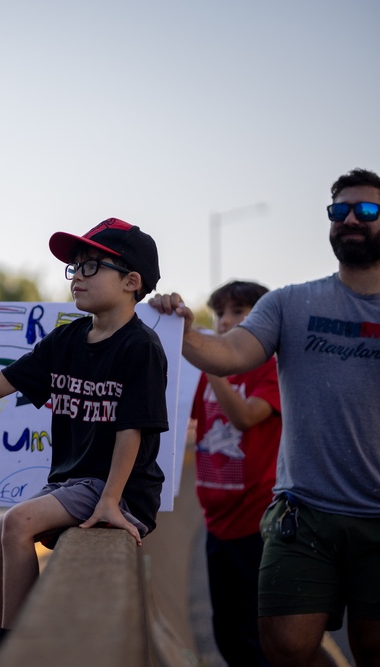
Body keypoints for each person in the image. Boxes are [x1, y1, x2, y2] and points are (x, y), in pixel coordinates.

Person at [150, 168, 380, 667]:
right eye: (339, 210)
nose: (351, 219)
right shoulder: (291, 303)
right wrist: (186, 332)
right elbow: (231, 353)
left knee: (373, 647)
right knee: (284, 645)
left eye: (367, 210)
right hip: (305, 511)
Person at [0, 218, 168, 649]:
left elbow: (132, 430)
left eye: (92, 266)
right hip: (75, 481)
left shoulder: (141, 347)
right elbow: (2, 384)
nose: (77, 277)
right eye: (74, 268)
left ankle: (19, 647)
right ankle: (12, 637)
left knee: (19, 523)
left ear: (132, 281)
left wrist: (111, 501)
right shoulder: (67, 339)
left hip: (119, 487)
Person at [190, 281, 280, 667]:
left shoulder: (270, 367)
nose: (225, 322)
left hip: (255, 522)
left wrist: (213, 365)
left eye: (238, 312)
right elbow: (188, 423)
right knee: (226, 633)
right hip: (216, 522)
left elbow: (244, 418)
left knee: (257, 638)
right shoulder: (204, 373)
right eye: (219, 314)